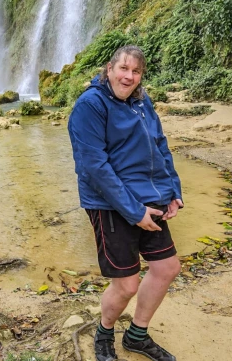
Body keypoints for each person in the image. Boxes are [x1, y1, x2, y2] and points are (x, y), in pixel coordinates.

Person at [68, 45, 183, 361]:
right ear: (109, 69)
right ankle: (104, 332)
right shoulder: (90, 106)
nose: (129, 76)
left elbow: (159, 146)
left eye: (136, 71)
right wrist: (134, 211)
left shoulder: (142, 102)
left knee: (166, 268)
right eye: (124, 69)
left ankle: (136, 335)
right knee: (127, 285)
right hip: (110, 205)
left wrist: (173, 190)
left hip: (150, 199)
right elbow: (94, 166)